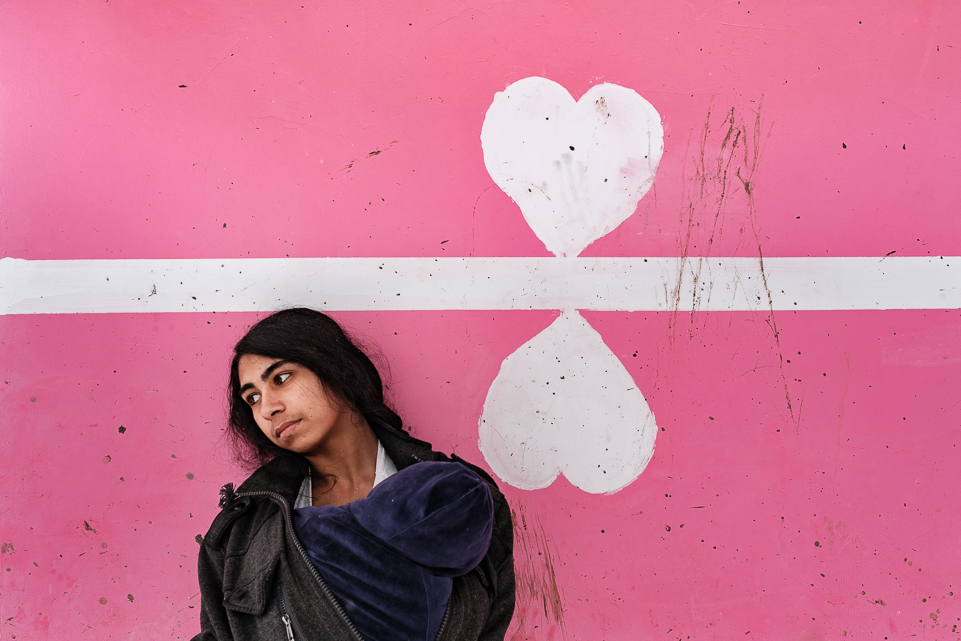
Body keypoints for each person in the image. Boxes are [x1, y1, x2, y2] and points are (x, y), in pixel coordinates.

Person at [192, 308, 515, 641]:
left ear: (334, 367)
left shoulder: (459, 497)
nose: (267, 408)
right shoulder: (241, 533)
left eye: (282, 378)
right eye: (253, 398)